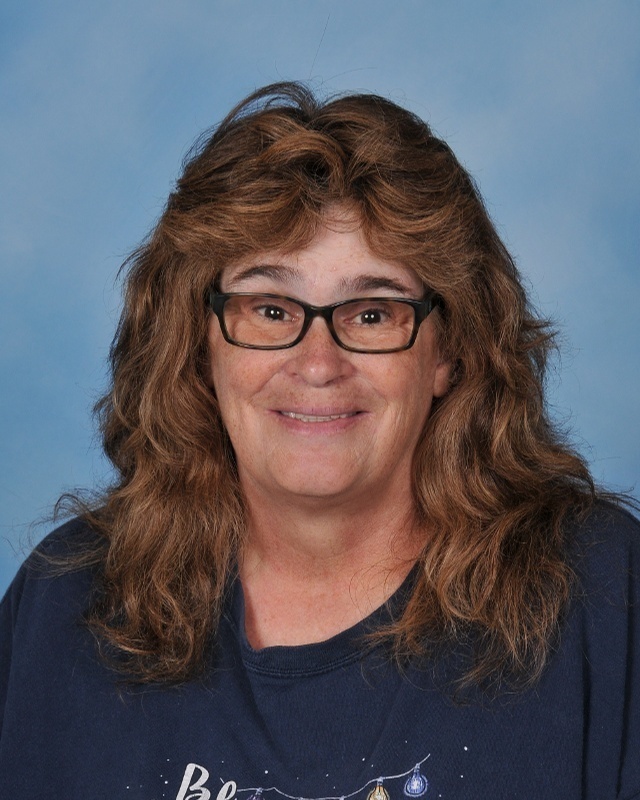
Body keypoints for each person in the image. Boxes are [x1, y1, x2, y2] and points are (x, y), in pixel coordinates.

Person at [0, 82, 638, 800]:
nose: (317, 364)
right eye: (270, 308)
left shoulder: (600, 597)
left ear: (449, 348)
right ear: (198, 343)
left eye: (372, 314)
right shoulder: (67, 605)